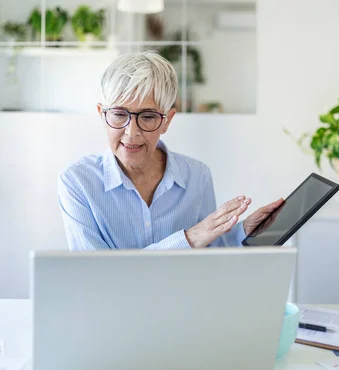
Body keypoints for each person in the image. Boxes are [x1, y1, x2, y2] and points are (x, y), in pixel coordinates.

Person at [58, 51, 284, 251]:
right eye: (119, 114)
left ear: (167, 121)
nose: (131, 132)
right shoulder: (77, 181)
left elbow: (207, 251)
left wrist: (244, 231)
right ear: (102, 115)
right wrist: (188, 238)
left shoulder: (197, 176)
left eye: (147, 117)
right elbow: (95, 274)